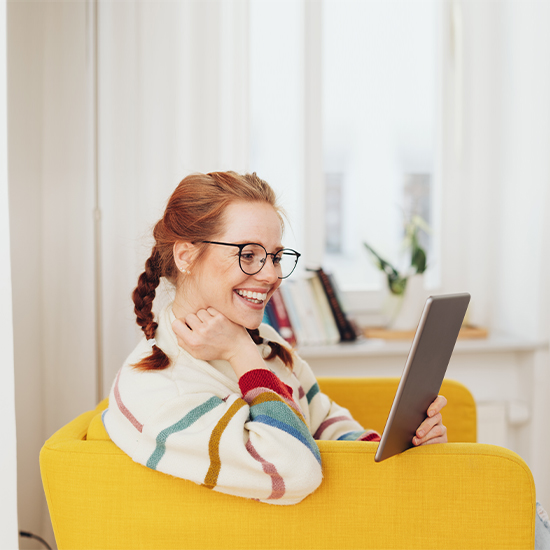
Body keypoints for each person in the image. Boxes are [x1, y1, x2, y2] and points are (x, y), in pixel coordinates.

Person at [101, 172, 455, 504]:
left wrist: (397, 448)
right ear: (185, 255)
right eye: (249, 255)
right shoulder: (158, 390)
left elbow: (322, 420)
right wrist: (242, 355)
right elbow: (294, 471)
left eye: (275, 257)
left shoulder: (264, 341)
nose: (271, 275)